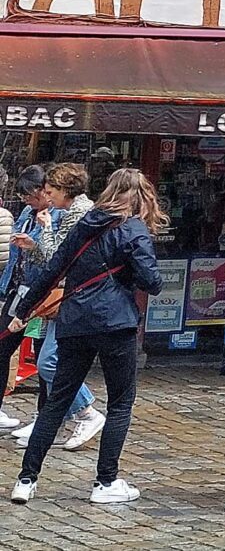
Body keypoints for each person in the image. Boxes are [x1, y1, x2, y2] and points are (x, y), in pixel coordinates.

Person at [6, 167, 164, 506]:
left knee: (56, 401)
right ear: (143, 197)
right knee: (120, 403)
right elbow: (152, 282)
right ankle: (105, 482)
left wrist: (24, 310)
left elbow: (53, 269)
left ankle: (26, 479)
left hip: (75, 321)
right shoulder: (134, 229)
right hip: (116, 324)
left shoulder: (86, 223)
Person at [9, 164, 103, 452]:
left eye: (50, 191)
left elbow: (57, 258)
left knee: (50, 362)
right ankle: (55, 420)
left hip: (72, 296)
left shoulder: (79, 215)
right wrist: (33, 245)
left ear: (65, 190)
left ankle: (86, 412)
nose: (47, 197)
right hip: (61, 295)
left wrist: (46, 229)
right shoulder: (72, 212)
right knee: (49, 358)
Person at [0, 167, 48, 429]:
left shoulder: (54, 217)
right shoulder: (27, 213)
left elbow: (52, 256)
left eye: (28, 195)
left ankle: (44, 419)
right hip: (17, 289)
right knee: (3, 346)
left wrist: (35, 241)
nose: (26, 200)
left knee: (44, 358)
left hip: (41, 294)